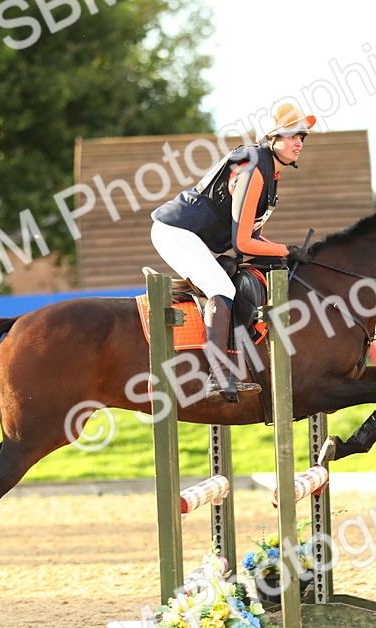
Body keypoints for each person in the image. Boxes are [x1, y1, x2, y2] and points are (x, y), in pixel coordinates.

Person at [150, 103, 316, 403]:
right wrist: (286, 250)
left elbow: (253, 236)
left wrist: (283, 254)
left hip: (194, 238)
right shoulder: (254, 171)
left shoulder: (270, 173)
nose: (299, 142)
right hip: (175, 232)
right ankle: (216, 376)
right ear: (271, 139)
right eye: (291, 135)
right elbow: (243, 244)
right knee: (222, 287)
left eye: (302, 136)